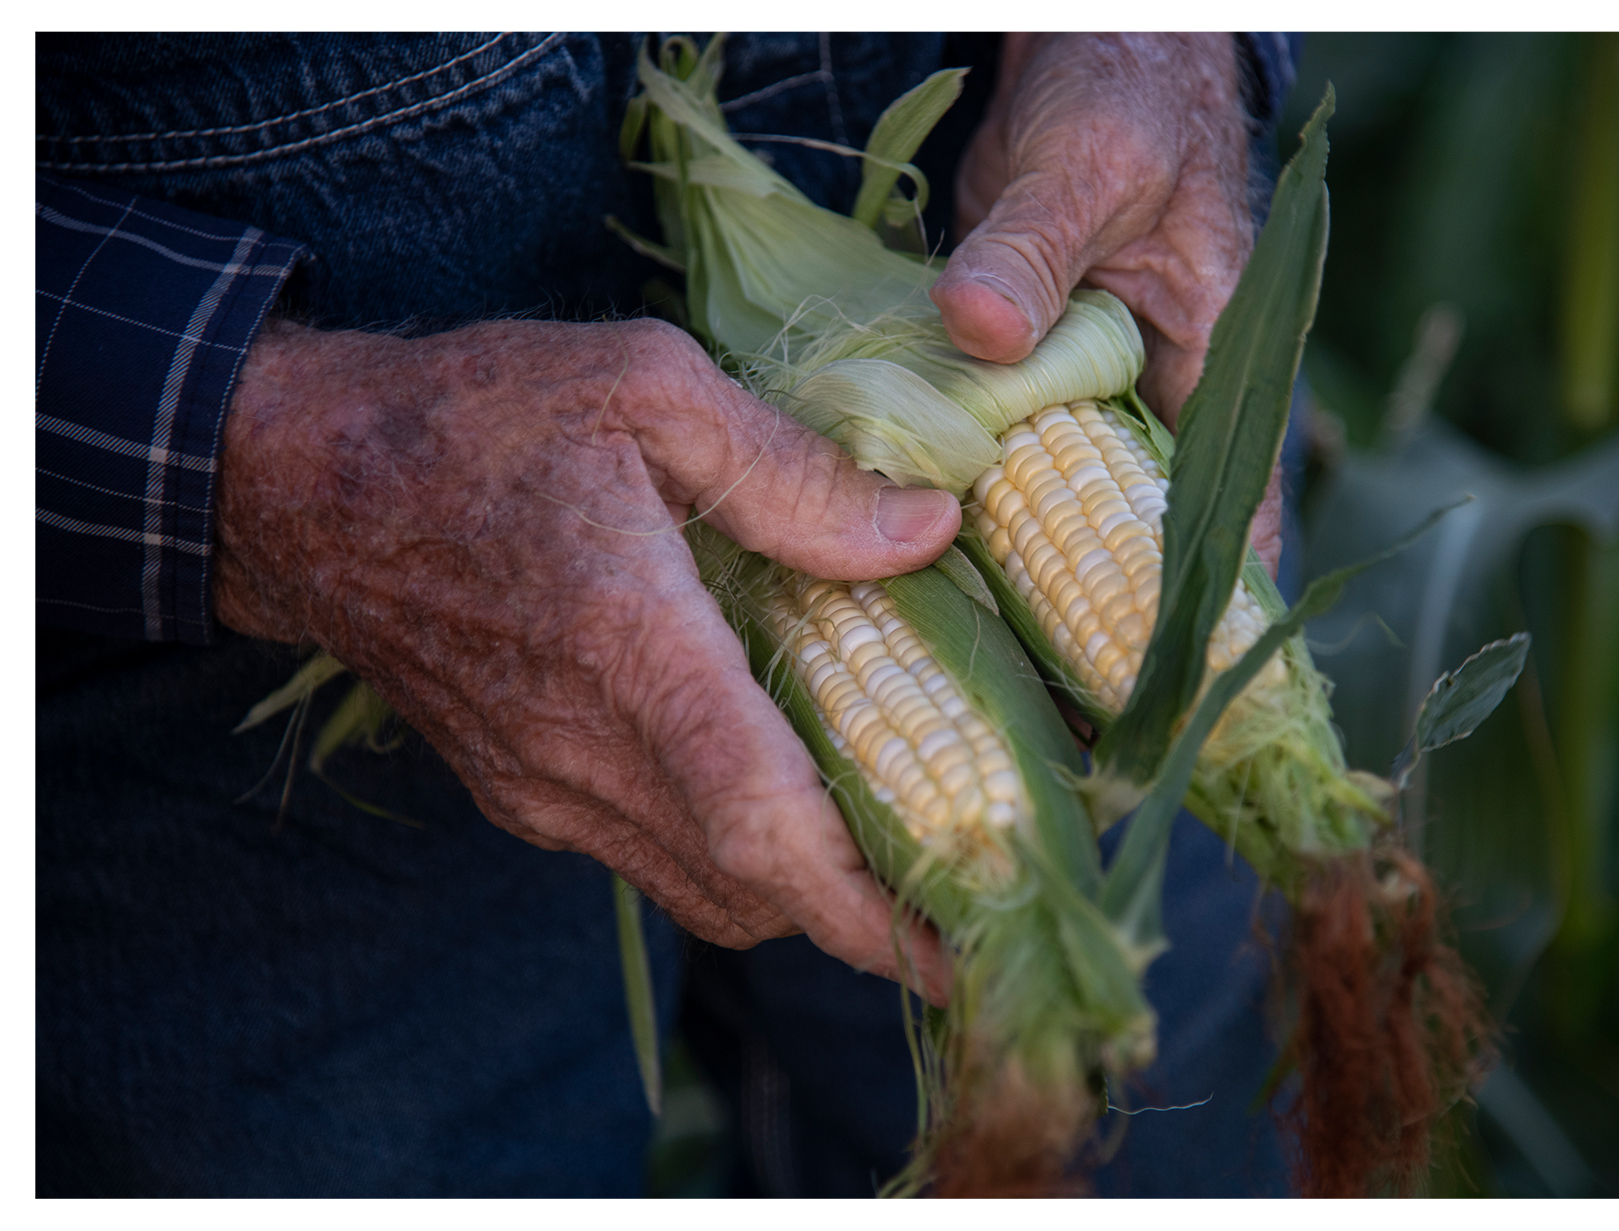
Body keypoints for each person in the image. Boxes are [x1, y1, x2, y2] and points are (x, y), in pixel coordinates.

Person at [37, 33, 1304, 1195]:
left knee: (1163, 1116)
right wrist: (281, 463)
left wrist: (1171, 39)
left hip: (1012, 209)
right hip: (242, 660)